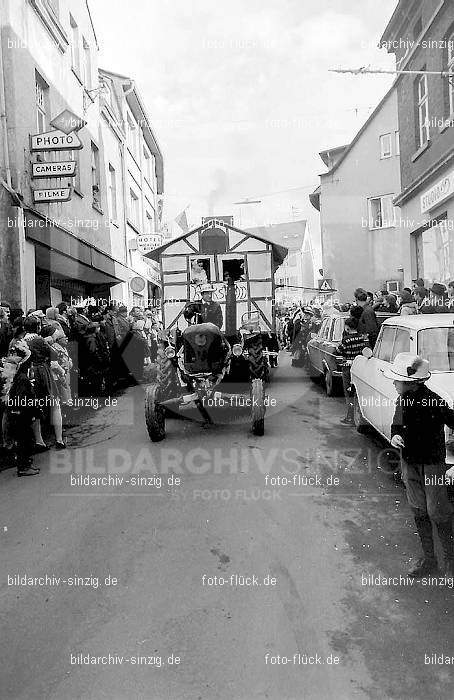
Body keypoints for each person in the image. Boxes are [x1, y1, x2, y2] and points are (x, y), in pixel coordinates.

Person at [385, 353, 454, 578]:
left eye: (397, 380)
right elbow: (396, 424)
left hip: (432, 464)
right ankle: (429, 560)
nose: (394, 383)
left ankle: (450, 561)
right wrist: (395, 436)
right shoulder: (401, 401)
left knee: (438, 512)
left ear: (411, 382)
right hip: (409, 463)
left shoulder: (434, 401)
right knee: (418, 509)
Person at [23, 315, 65, 450]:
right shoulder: (40, 339)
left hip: (29, 373)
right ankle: (59, 439)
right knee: (55, 404)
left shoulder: (21, 340)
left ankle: (39, 440)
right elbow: (54, 354)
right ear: (38, 327)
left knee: (35, 406)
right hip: (43, 371)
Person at [2, 340, 40, 476]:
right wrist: (32, 412)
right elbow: (23, 400)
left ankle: (24, 463)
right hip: (21, 415)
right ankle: (23, 467)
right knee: (25, 439)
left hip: (16, 414)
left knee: (22, 439)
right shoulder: (23, 379)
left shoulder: (16, 377)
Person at [336, 317, 369, 424]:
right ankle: (358, 415)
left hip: (348, 367)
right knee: (357, 391)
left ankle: (350, 416)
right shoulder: (362, 338)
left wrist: (338, 347)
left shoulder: (346, 339)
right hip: (360, 366)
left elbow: (339, 350)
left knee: (348, 392)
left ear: (347, 327)